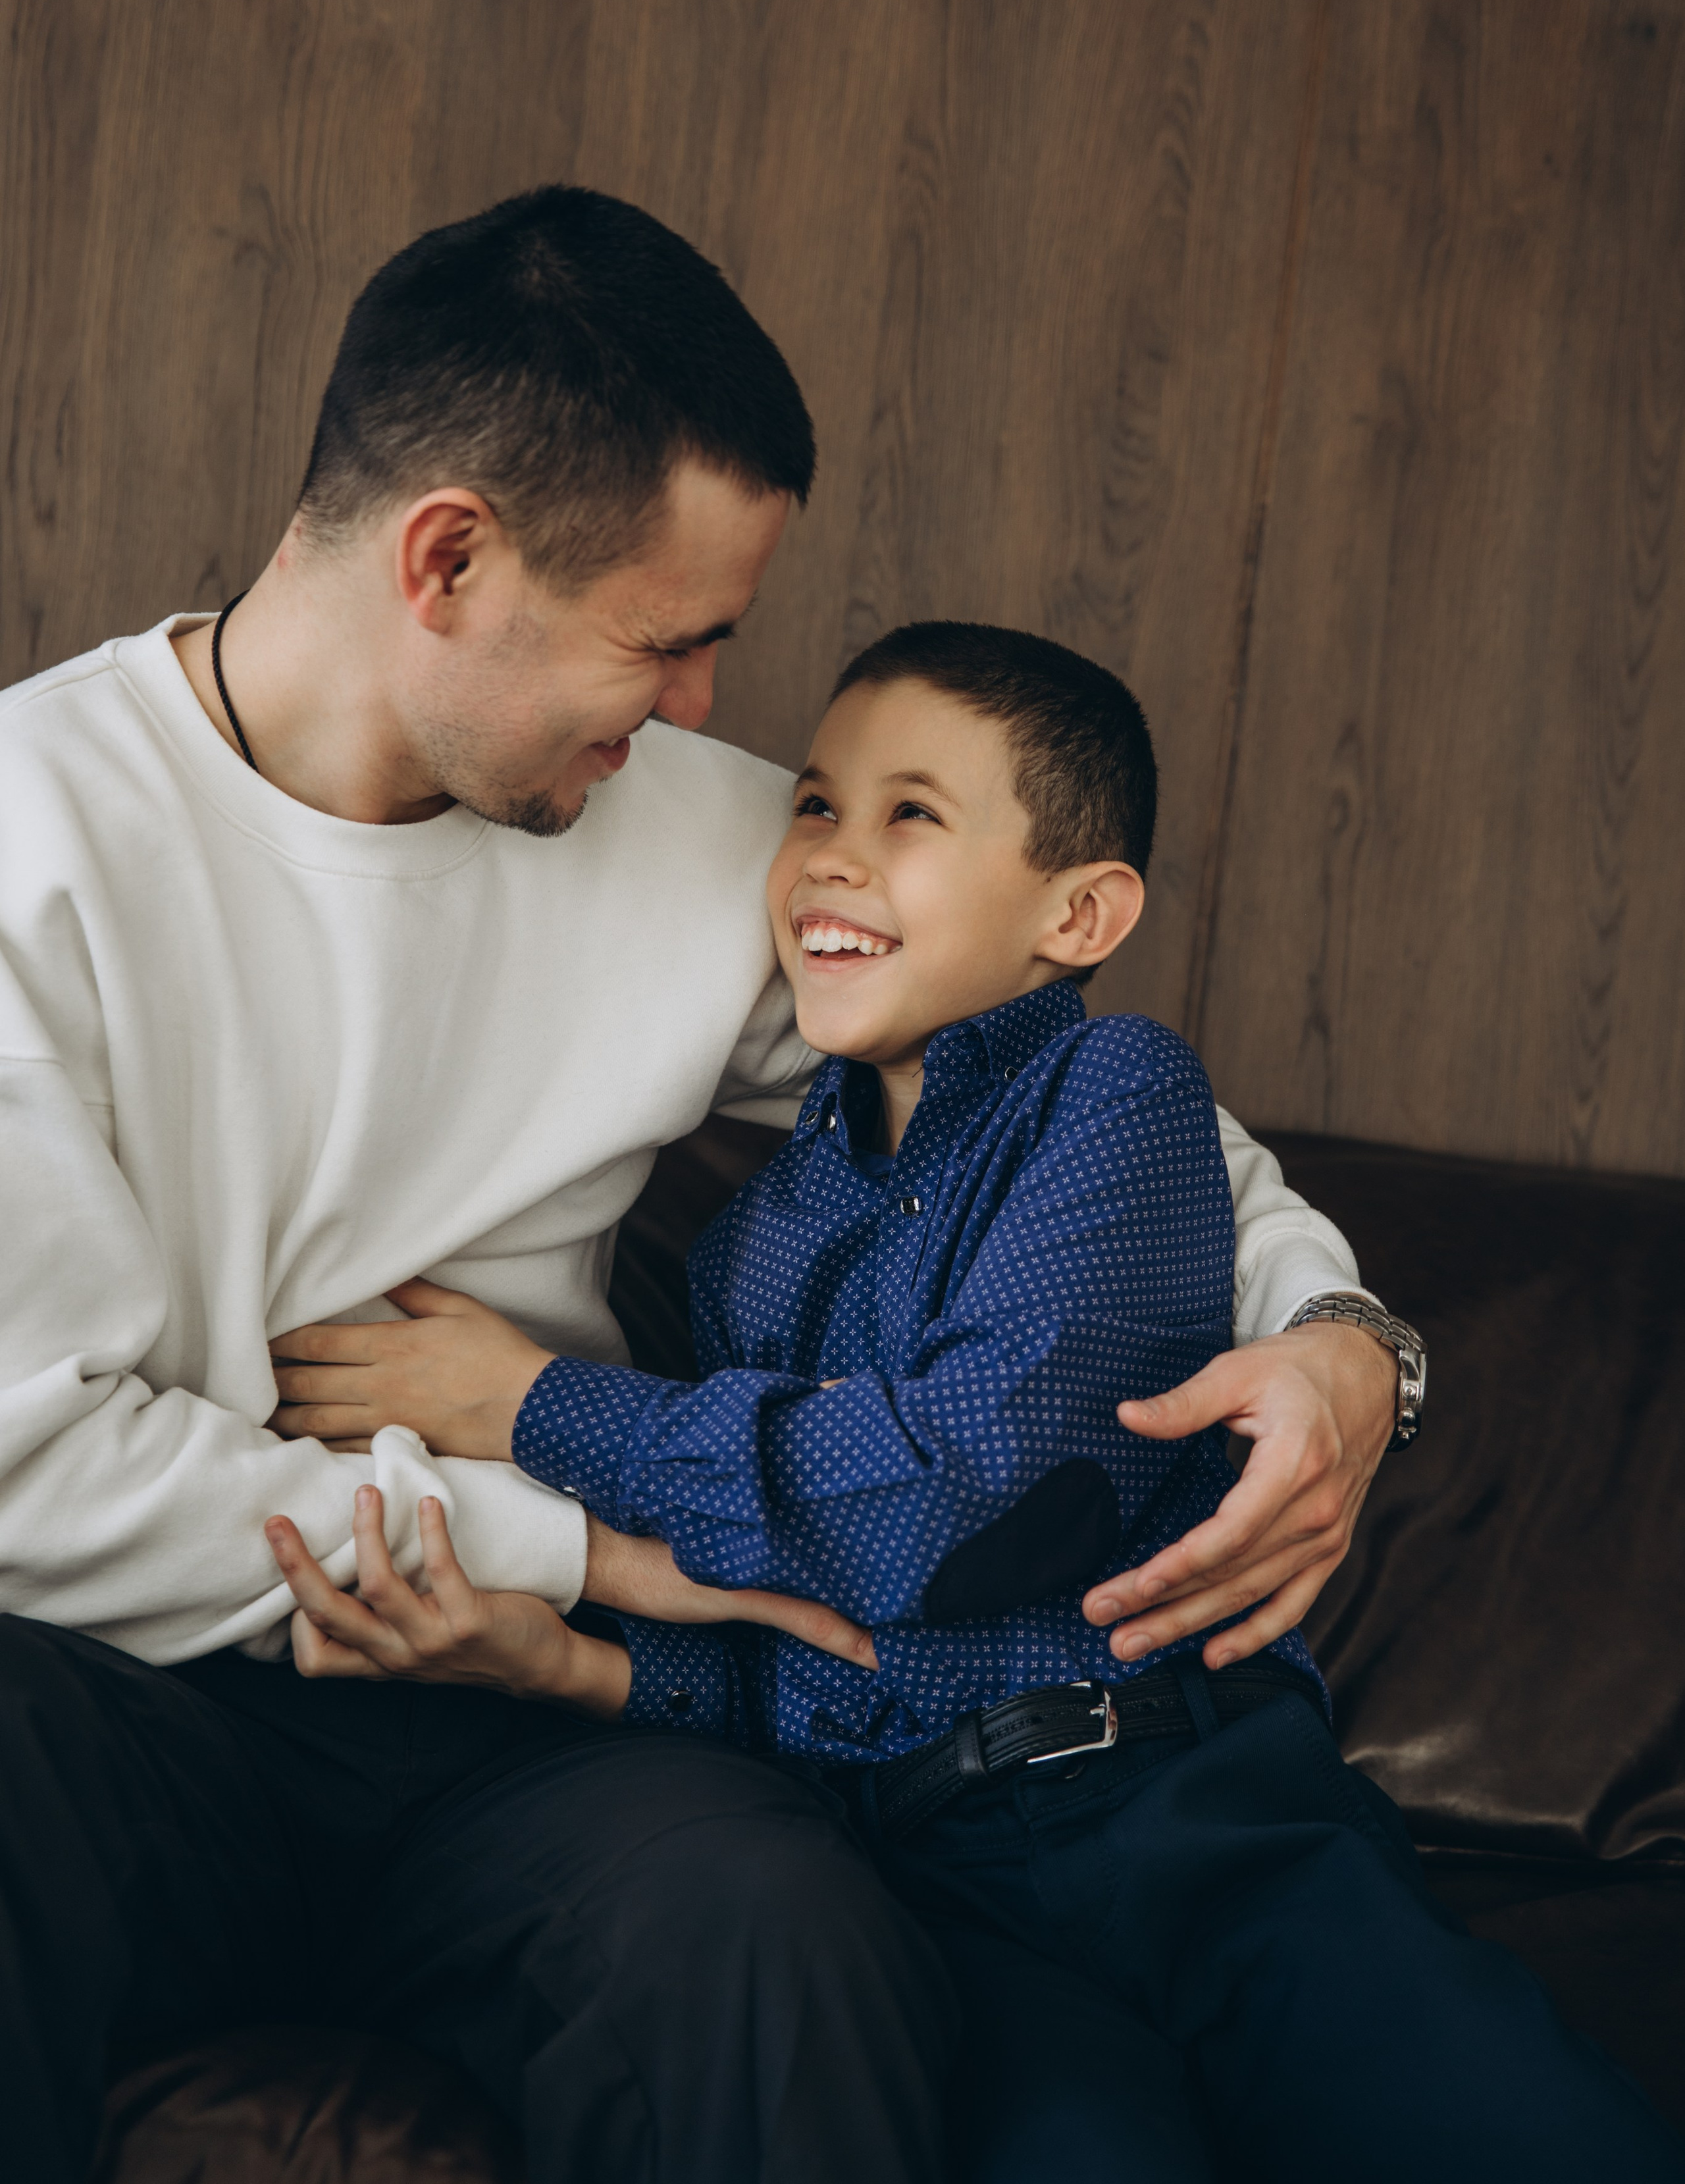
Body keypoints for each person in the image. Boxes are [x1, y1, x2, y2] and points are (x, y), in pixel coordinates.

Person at [1, 186, 1399, 2183]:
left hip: (525, 1743)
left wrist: (1340, 1336)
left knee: (775, 1935)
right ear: (451, 557)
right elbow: (28, 1473)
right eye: (668, 641)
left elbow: (1062, 1107)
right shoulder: (28, 840)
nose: (701, 715)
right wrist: (574, 1552)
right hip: (134, 1696)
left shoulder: (697, 838)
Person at [274, 621, 1682, 2183]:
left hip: (1173, 1804)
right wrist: (573, 1669)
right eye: (813, 805)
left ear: (1076, 912)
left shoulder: (1111, 1097)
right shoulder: (753, 1246)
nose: (829, 858)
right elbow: (807, 1648)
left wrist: (535, 1406)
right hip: (932, 1877)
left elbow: (961, 1502)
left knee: (1503, 2134)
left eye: (910, 816)